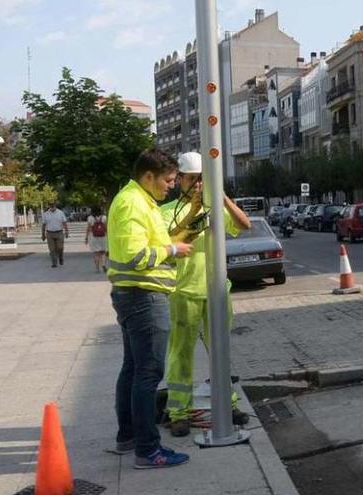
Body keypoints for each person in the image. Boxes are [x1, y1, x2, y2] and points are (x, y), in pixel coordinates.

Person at [107, 149, 193, 469]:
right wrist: (172, 249)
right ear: (148, 177)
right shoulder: (133, 202)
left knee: (132, 368)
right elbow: (134, 256)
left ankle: (129, 437)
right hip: (144, 297)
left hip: (134, 295)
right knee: (148, 372)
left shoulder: (138, 200)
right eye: (168, 180)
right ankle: (148, 449)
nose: (170, 186)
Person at [160, 152, 252, 437]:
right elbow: (168, 241)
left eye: (203, 179)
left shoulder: (215, 207)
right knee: (181, 355)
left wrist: (221, 196)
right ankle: (179, 412)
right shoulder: (168, 211)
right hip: (184, 292)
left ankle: (228, 403)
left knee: (220, 353)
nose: (198, 184)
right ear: (181, 181)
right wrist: (192, 212)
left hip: (216, 292)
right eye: (192, 179)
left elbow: (244, 224)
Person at [41, 203, 68, 268]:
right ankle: (54, 263)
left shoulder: (60, 213)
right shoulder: (46, 214)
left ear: (55, 206)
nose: (52, 207)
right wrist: (43, 234)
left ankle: (60, 257)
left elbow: (64, 222)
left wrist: (67, 231)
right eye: (51, 206)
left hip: (59, 233)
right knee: (52, 249)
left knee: (60, 247)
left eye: (53, 206)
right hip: (50, 233)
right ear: (49, 206)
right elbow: (43, 225)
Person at [85, 205, 108, 273]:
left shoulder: (90, 218)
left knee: (96, 253)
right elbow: (106, 228)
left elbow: (88, 228)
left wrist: (86, 237)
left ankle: (97, 269)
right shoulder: (104, 217)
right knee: (103, 252)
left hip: (93, 237)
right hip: (103, 236)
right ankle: (103, 264)